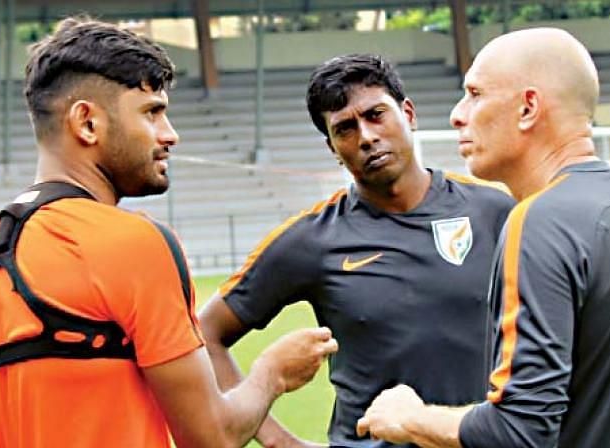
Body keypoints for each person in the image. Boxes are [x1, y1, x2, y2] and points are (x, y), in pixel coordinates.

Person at [0, 17, 338, 448]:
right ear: (87, 123)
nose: (169, 134)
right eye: (152, 112)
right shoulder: (133, 243)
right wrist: (272, 373)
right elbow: (211, 436)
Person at [357, 27, 610, 448]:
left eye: (475, 93)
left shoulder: (540, 220)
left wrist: (410, 419)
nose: (457, 114)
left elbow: (520, 431)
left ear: (527, 108)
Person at [198, 54, 515, 447]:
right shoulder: (312, 239)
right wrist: (279, 441)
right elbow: (205, 333)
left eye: (376, 115)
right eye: (345, 128)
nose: (365, 137)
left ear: (409, 114)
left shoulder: (494, 211)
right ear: (333, 147)